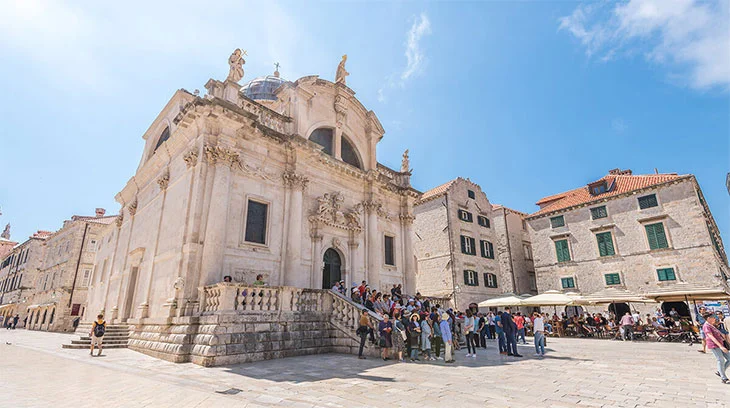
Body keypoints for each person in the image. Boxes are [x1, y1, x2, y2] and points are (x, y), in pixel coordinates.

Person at [702, 312, 730, 384]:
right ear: (709, 318)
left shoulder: (711, 325)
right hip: (714, 345)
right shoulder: (706, 326)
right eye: (713, 317)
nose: (715, 319)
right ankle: (724, 378)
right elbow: (711, 337)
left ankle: (720, 371)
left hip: (720, 344)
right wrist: (720, 346)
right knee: (720, 360)